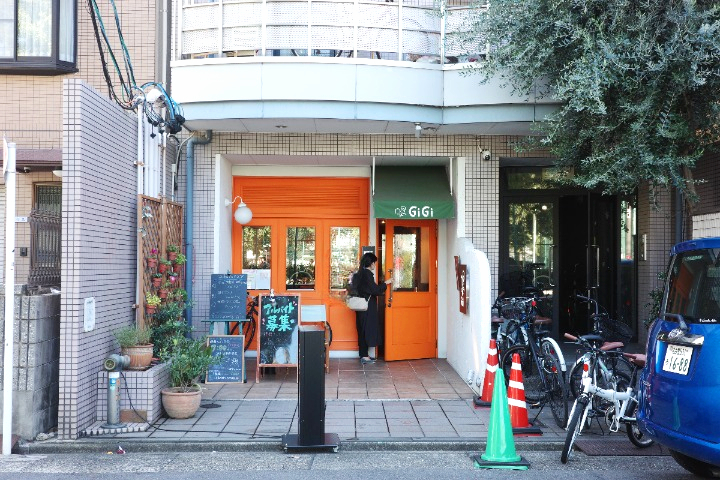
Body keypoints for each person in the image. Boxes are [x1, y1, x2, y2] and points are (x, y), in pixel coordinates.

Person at [354, 252, 391, 365]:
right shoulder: (367, 274)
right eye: (374, 262)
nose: (375, 265)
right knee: (366, 329)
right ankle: (365, 357)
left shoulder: (360, 273)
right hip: (367, 307)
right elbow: (375, 290)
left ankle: (363, 354)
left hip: (360, 306)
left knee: (362, 329)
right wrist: (386, 283)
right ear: (371, 263)